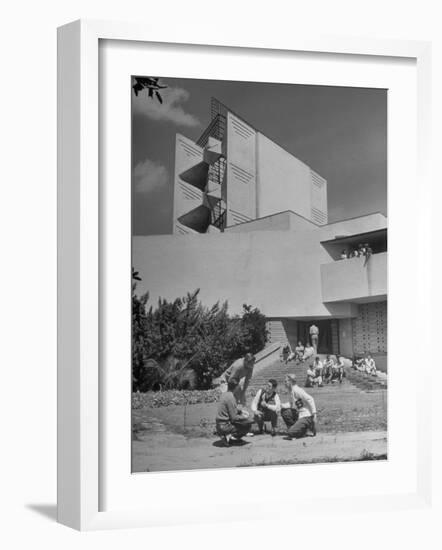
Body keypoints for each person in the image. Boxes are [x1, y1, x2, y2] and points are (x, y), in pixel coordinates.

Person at [215, 378, 253, 446]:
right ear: (236, 388)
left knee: (244, 420)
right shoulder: (231, 397)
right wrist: (246, 418)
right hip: (225, 425)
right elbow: (234, 418)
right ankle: (233, 438)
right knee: (247, 425)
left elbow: (228, 410)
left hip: (219, 424)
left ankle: (225, 435)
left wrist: (240, 411)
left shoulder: (224, 394)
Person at [280, 374, 317, 439]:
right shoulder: (291, 391)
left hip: (306, 415)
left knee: (290, 432)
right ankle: (299, 428)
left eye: (286, 381)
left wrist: (314, 414)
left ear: (290, 382)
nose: (284, 383)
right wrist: (281, 405)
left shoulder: (297, 390)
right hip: (300, 414)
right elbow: (291, 404)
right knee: (284, 411)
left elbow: (310, 399)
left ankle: (308, 426)